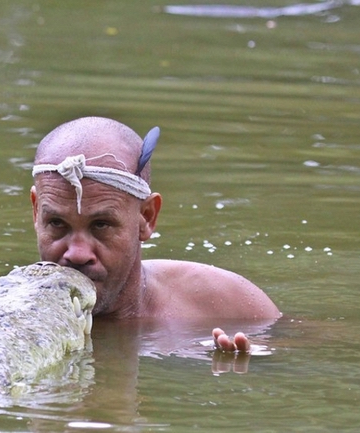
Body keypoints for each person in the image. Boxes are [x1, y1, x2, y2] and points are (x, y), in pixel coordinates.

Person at [30, 117, 281, 352]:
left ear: (146, 217)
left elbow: (304, 345)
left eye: (101, 225)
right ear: (35, 212)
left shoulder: (228, 304)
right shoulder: (13, 317)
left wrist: (247, 364)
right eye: (56, 223)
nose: (77, 254)